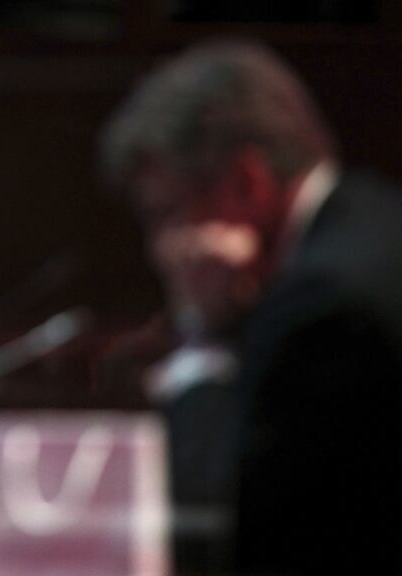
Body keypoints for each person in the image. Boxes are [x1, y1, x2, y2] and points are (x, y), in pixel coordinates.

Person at [100, 41, 402, 574]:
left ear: (247, 182)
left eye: (168, 213)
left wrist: (204, 337)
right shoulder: (375, 221)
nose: (159, 250)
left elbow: (219, 529)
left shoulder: (326, 306)